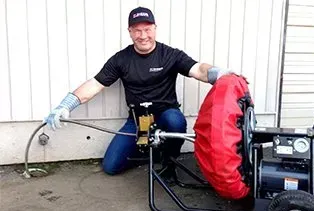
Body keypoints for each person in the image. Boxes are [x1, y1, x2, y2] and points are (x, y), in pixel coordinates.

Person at [45, 6, 233, 176]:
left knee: (175, 121)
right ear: (130, 32)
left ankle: (169, 162)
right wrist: (65, 105)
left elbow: (199, 69)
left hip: (166, 115)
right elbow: (95, 85)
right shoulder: (121, 59)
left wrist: (220, 74)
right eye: (137, 30)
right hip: (137, 121)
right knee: (111, 167)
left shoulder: (170, 55)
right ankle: (153, 153)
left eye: (147, 29)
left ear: (154, 29)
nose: (143, 35)